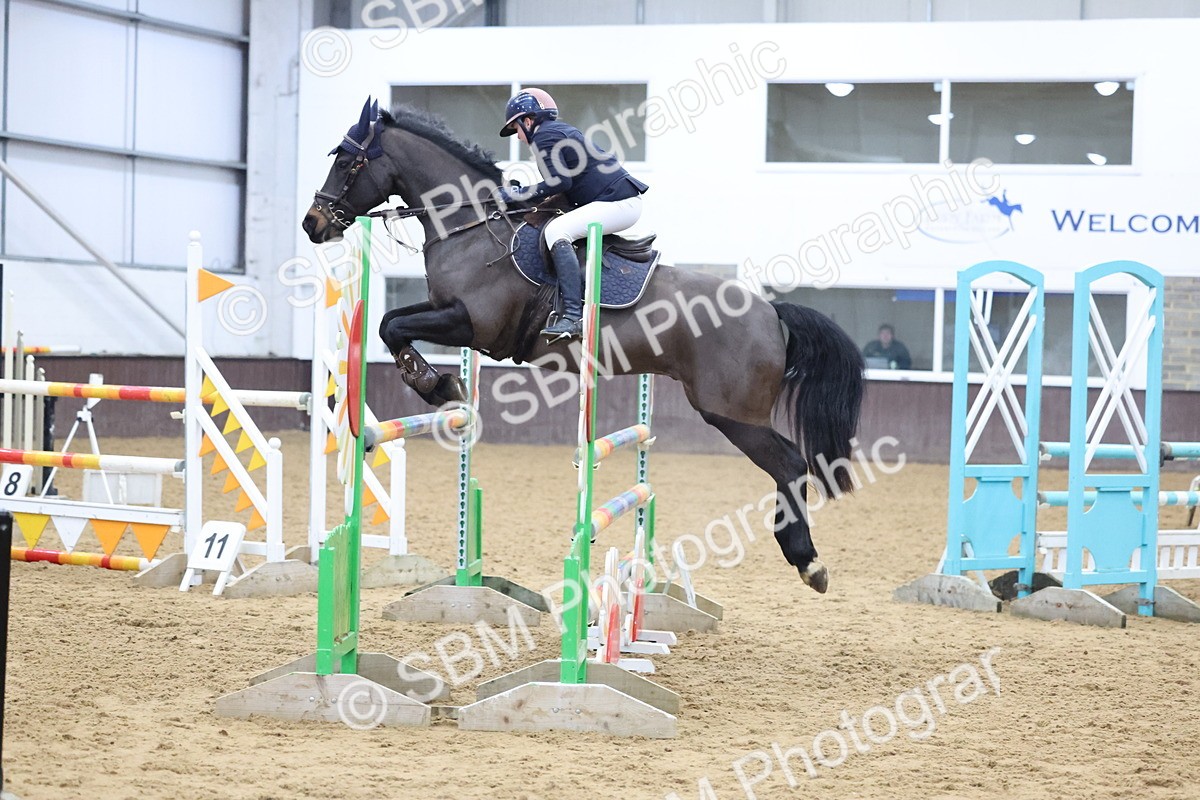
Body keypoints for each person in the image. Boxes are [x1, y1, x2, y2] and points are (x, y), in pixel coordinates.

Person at [494, 88, 649, 341]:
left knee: (557, 230)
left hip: (620, 204)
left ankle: (573, 316)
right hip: (619, 201)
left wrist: (517, 193)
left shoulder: (543, 137)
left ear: (529, 121)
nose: (519, 137)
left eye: (517, 129)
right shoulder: (555, 132)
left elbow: (559, 183)